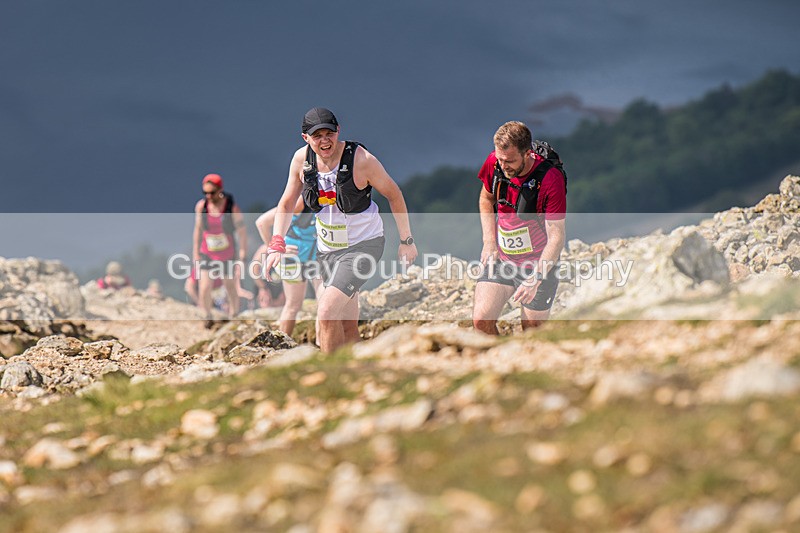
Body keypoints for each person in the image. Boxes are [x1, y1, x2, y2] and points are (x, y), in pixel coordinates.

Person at [263, 107, 417, 352]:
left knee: (325, 312)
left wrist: (406, 240)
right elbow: (286, 203)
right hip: (327, 250)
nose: (325, 141)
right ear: (306, 138)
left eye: (329, 133)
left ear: (338, 132)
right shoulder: (301, 160)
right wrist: (276, 244)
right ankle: (359, 373)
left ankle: (330, 375)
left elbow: (394, 194)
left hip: (363, 245)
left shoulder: (361, 160)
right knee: (347, 326)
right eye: (317, 136)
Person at [473, 121, 566, 335]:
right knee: (480, 321)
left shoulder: (550, 180)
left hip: (537, 263)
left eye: (510, 161)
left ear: (527, 153)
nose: (504, 166)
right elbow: (486, 199)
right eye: (500, 159)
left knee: (533, 333)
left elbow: (557, 237)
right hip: (503, 259)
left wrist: (536, 277)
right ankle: (497, 365)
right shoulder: (494, 163)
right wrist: (489, 242)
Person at [254, 197, 322, 335]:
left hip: (311, 258)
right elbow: (261, 222)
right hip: (296, 259)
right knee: (299, 305)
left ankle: (320, 344)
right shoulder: (301, 202)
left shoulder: (323, 198)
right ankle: (284, 344)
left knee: (305, 305)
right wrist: (275, 248)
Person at [192, 173, 248, 326]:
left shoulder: (231, 208)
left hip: (227, 253)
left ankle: (234, 314)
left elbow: (242, 232)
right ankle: (207, 315)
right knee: (204, 287)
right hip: (207, 252)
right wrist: (195, 252)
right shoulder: (201, 207)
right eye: (205, 193)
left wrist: (243, 252)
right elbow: (198, 230)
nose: (208, 196)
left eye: (212, 192)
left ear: (220, 190)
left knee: (229, 285)